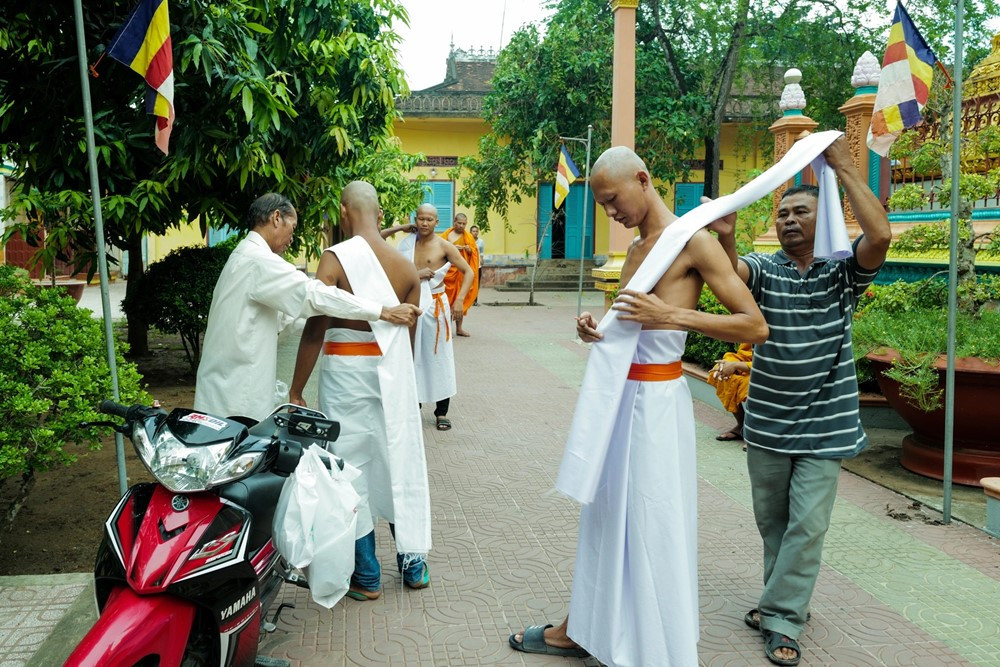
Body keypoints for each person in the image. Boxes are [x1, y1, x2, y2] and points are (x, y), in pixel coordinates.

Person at [508, 146, 768, 666]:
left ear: (643, 179)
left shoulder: (694, 243)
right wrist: (593, 330)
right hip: (616, 401)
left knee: (650, 519)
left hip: (657, 405)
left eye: (612, 200)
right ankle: (583, 626)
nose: (610, 213)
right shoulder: (634, 250)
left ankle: (652, 644)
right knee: (604, 516)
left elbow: (755, 325)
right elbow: (627, 323)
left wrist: (673, 317)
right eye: (603, 205)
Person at [712, 135, 891, 666]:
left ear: (825, 217)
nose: (789, 220)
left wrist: (844, 166)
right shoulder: (766, 270)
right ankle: (780, 606)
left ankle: (783, 618)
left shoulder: (843, 274)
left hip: (826, 428)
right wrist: (725, 237)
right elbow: (732, 280)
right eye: (782, 212)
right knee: (774, 524)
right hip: (766, 422)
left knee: (807, 525)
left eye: (801, 212)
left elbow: (879, 234)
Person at [289, 181, 432, 598]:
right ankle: (413, 565)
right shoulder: (406, 268)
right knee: (396, 461)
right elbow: (409, 340)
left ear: (343, 211)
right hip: (391, 375)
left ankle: (366, 575)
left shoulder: (335, 259)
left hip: (345, 374)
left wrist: (297, 388)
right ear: (381, 214)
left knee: (349, 468)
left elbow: (316, 326)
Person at [194, 192, 420, 422]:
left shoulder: (244, 254)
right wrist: (383, 311)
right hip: (235, 391)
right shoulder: (258, 261)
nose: (291, 238)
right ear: (276, 218)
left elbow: (285, 316)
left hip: (225, 382)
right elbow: (313, 294)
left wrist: (328, 319)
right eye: (292, 228)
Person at [383, 205, 474, 431]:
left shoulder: (445, 246)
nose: (424, 223)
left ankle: (441, 412)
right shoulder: (406, 244)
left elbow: (469, 272)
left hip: (436, 307)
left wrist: (460, 299)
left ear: (437, 221)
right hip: (410, 306)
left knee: (439, 358)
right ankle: (415, 406)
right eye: (421, 219)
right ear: (416, 219)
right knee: (411, 356)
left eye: (429, 219)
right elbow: (378, 237)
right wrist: (403, 227)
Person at [707, 342, 753, 447]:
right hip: (748, 363)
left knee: (749, 385)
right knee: (723, 375)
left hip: (769, 371)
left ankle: (753, 434)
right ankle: (741, 425)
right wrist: (728, 364)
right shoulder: (754, 326)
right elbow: (743, 353)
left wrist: (736, 365)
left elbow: (772, 363)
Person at [440, 212, 479, 335]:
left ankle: (459, 328)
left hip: (462, 273)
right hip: (448, 272)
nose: (461, 226)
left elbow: (474, 252)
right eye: (459, 223)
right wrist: (451, 248)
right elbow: (439, 250)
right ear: (454, 222)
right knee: (447, 300)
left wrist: (468, 250)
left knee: (460, 300)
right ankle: (447, 329)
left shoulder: (468, 237)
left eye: (464, 224)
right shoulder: (446, 235)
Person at [470, 224, 485, 303]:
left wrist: (482, 259)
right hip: (469, 264)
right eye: (474, 231)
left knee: (477, 283)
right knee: (469, 282)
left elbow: (482, 252)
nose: (475, 233)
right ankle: (468, 300)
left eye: (476, 231)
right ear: (470, 232)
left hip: (478, 265)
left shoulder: (481, 241)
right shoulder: (468, 240)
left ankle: (475, 300)